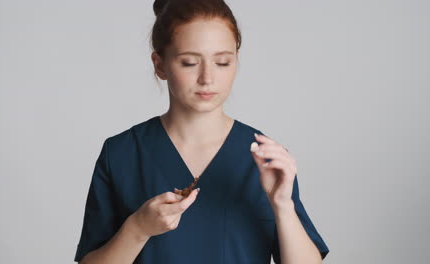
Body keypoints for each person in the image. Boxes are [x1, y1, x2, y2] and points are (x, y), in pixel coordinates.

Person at [73, 0, 330, 263]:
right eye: (189, 63)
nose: (207, 78)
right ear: (160, 65)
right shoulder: (121, 154)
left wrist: (282, 205)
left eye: (222, 62)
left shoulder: (265, 158)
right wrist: (137, 229)